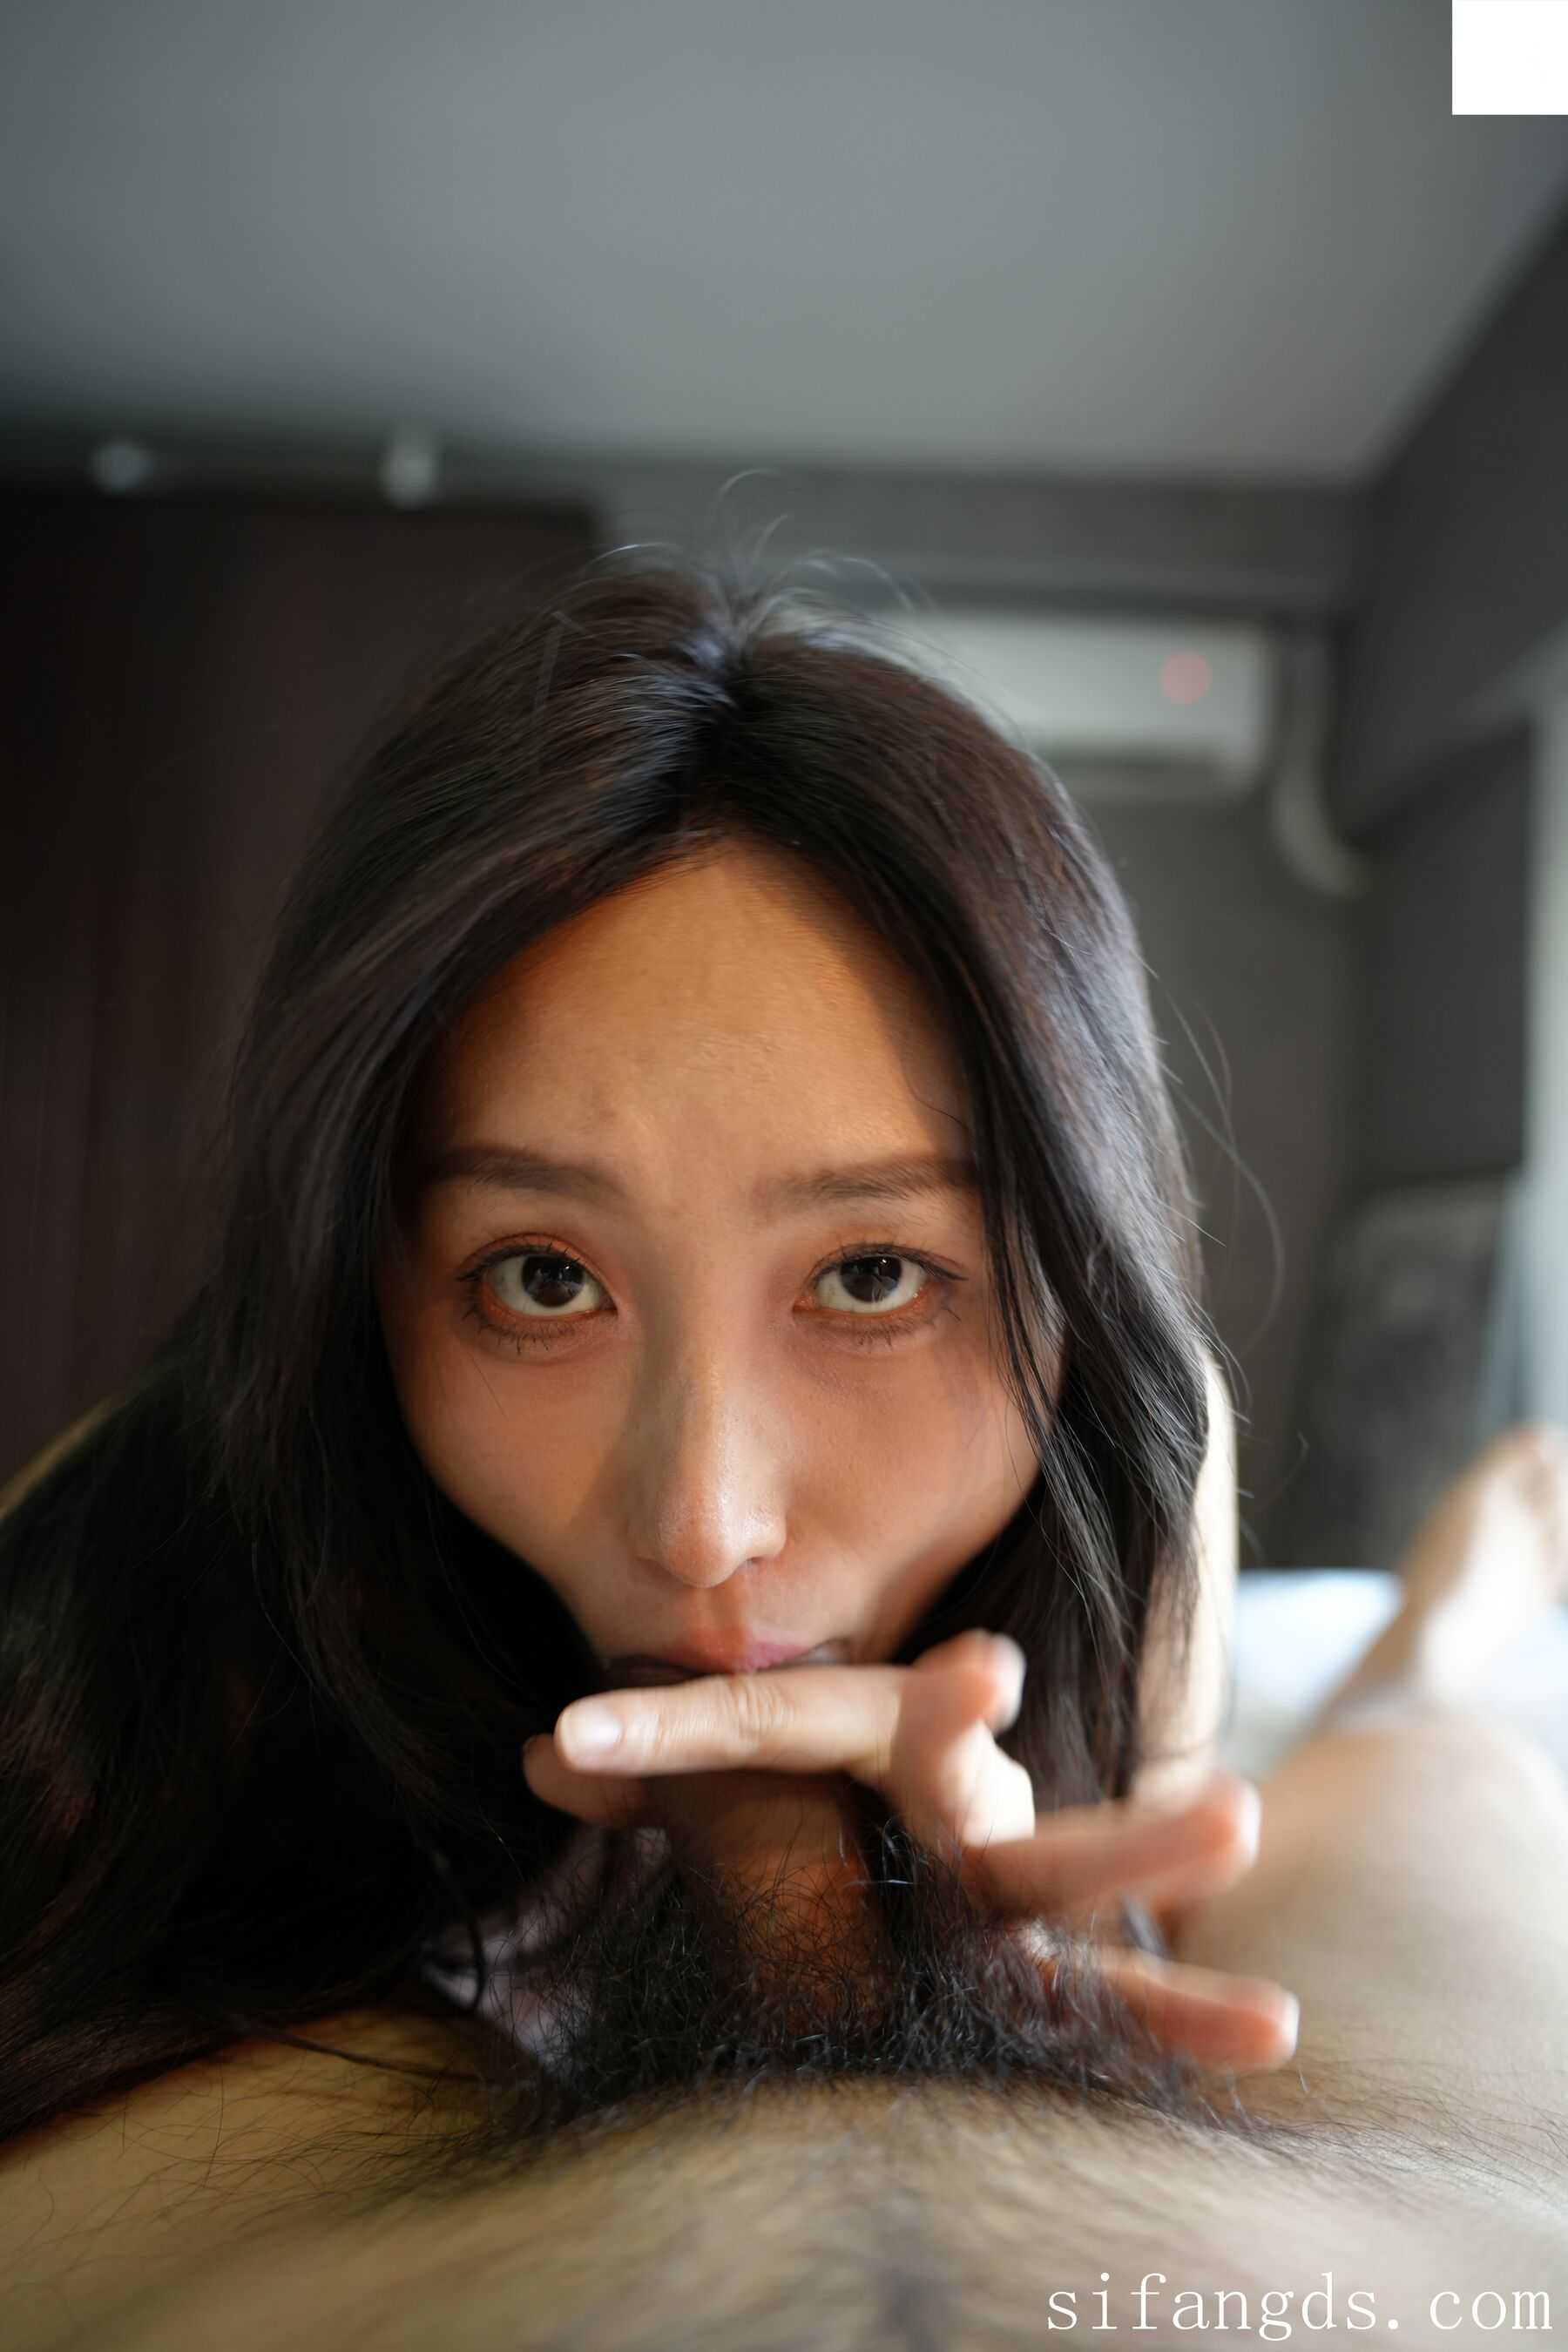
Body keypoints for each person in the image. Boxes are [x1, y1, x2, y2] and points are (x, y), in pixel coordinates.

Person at [4, 1428, 1566, 2346]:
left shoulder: (1115, 1435)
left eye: (874, 1271)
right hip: (1450, 2226)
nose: (707, 1531)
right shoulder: (206, 1513)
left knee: (1406, 1758)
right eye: (541, 1277)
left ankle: (1423, 1650)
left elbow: (1175, 1428)